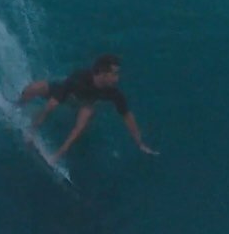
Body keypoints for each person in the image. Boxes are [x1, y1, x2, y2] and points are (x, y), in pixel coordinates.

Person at [18, 54, 158, 163]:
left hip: (85, 103)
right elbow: (52, 104)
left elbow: (127, 116)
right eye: (114, 74)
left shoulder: (113, 92)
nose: (117, 78)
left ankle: (56, 155)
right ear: (103, 73)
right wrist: (32, 131)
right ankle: (18, 108)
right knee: (34, 89)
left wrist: (140, 143)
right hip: (67, 93)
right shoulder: (80, 77)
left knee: (84, 120)